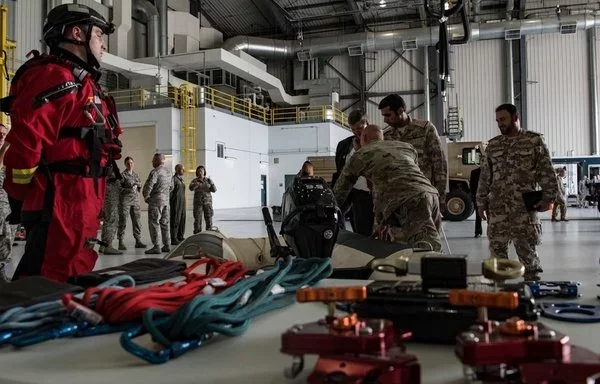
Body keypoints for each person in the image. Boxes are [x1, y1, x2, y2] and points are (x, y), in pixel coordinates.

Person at [3, 4, 121, 282]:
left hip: (80, 206)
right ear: (77, 33)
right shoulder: (53, 76)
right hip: (59, 208)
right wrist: (21, 199)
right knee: (47, 286)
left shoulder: (84, 83)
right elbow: (24, 147)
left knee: (70, 281)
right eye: (99, 36)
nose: (103, 45)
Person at [477, 104, 558, 280]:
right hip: (497, 208)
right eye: (498, 121)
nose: (500, 124)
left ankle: (532, 286)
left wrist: (549, 198)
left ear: (516, 117)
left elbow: (547, 172)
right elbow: (485, 177)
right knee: (497, 252)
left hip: (523, 208)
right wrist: (481, 202)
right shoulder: (493, 145)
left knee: (527, 250)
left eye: (503, 119)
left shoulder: (533, 141)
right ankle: (501, 291)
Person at [333, 125, 442, 252]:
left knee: (428, 250)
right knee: (399, 244)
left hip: (409, 199)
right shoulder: (406, 147)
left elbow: (341, 189)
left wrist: (331, 210)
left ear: (364, 137)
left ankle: (440, 269)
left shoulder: (361, 154)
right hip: (431, 194)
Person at [378, 94, 448, 211]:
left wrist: (440, 196)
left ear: (400, 111)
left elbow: (439, 164)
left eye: (388, 115)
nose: (385, 120)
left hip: (423, 195)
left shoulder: (425, 129)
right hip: (397, 198)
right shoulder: (386, 136)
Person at [332, 110, 374, 237]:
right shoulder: (344, 145)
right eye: (353, 129)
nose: (357, 132)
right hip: (353, 192)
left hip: (372, 193)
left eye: (360, 128)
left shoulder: (379, 142)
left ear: (367, 124)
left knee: (371, 229)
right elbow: (340, 169)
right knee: (357, 229)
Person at [142, 153, 173, 254]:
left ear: (157, 161)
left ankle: (156, 246)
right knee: (165, 223)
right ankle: (167, 245)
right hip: (166, 202)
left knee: (154, 223)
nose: (152, 162)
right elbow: (171, 187)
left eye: (153, 160)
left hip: (156, 201)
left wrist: (146, 196)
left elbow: (149, 185)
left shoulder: (155, 172)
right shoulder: (169, 172)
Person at [117, 156, 146, 250]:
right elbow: (119, 189)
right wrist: (128, 189)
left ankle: (138, 240)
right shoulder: (122, 175)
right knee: (123, 221)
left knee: (137, 221)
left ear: (133, 164)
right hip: (125, 201)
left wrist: (137, 185)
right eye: (128, 163)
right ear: (125, 164)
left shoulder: (135, 175)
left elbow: (140, 184)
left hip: (135, 201)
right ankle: (120, 241)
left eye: (131, 163)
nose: (130, 165)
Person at [99, 173, 122, 254]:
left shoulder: (105, 166)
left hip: (109, 199)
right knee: (111, 221)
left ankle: (103, 245)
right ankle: (108, 246)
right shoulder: (109, 167)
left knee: (107, 222)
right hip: (111, 199)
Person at [189, 165, 217, 233]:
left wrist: (212, 184)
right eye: (198, 171)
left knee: (209, 219)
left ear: (204, 172)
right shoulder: (194, 180)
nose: (200, 172)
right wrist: (196, 184)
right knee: (197, 220)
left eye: (201, 171)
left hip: (207, 203)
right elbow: (191, 188)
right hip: (198, 204)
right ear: (197, 173)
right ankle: (197, 235)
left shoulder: (208, 180)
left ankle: (209, 234)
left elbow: (214, 190)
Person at [0, 124, 12, 281]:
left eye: (4, 133)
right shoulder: (5, 152)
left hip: (7, 206)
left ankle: (1, 274)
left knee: (6, 240)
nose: (2, 136)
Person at [170, 164, 186, 245]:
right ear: (176, 170)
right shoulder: (173, 179)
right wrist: (172, 201)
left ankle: (180, 236)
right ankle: (174, 238)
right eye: (182, 169)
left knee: (182, 219)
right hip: (176, 202)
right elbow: (170, 191)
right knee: (175, 219)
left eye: (183, 169)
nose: (184, 171)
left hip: (182, 203)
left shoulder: (181, 179)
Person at [469, 165, 483, 238]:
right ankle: (478, 231)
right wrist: (473, 195)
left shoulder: (490, 171)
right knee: (478, 214)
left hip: (488, 195)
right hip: (478, 195)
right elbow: (471, 184)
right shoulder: (474, 172)